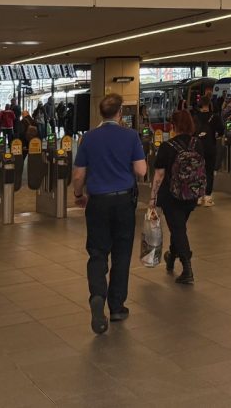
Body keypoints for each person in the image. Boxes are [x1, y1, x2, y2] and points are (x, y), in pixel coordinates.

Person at [72, 93, 147, 335]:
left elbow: (78, 175)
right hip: (124, 201)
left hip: (98, 203)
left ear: (100, 113)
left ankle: (97, 295)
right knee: (122, 253)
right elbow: (141, 171)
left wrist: (78, 195)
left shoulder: (89, 139)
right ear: (119, 113)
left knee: (97, 252)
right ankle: (116, 306)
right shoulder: (131, 136)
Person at [149, 109, 201, 283]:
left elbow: (159, 175)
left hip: (171, 196)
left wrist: (152, 198)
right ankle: (171, 257)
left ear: (174, 125)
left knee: (178, 229)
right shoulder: (197, 144)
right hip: (192, 194)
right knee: (178, 227)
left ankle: (187, 269)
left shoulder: (167, 146)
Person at [193, 95, 223, 206]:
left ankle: (198, 197)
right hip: (210, 147)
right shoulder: (215, 117)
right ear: (209, 105)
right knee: (209, 172)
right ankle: (208, 197)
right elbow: (221, 131)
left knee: (197, 172)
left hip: (197, 148)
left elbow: (191, 132)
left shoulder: (195, 117)